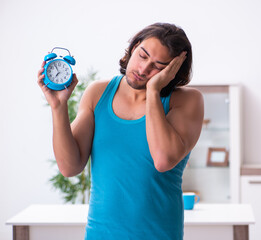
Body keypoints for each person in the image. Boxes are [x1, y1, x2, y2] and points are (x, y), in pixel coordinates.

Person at [37, 22, 204, 240]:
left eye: (158, 66)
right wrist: (58, 107)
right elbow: (69, 167)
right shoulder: (98, 93)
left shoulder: (187, 101)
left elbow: (163, 160)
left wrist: (154, 91)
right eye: (143, 56)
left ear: (172, 71)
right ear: (134, 47)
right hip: (100, 234)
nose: (144, 70)